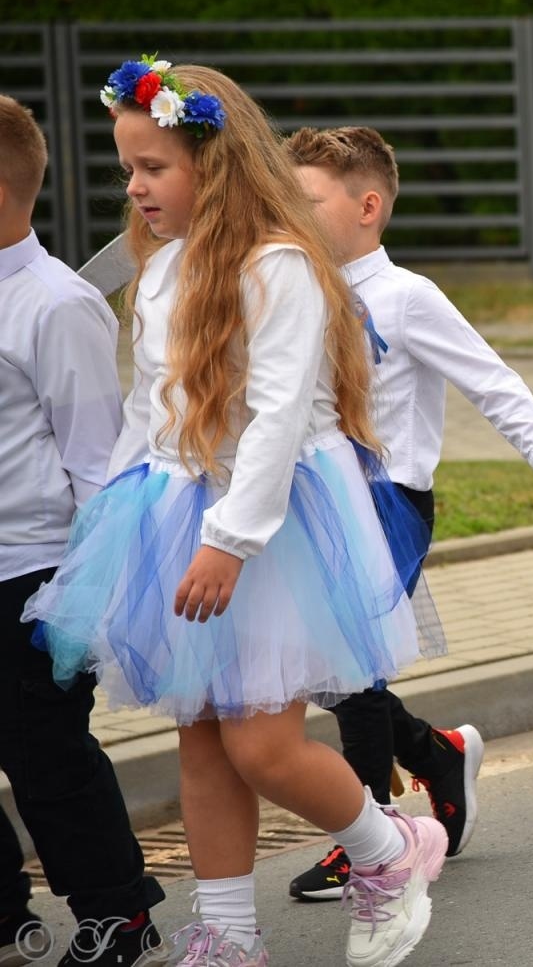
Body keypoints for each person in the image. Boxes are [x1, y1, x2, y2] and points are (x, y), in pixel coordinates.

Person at [22, 57, 446, 966]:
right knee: (204, 739)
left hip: (275, 520)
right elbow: (152, 410)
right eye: (126, 168)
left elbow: (281, 418)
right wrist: (114, 523)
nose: (133, 186)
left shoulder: (279, 266)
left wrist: (230, 542)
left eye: (153, 168)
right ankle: (227, 934)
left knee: (263, 743)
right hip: (178, 509)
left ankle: (388, 849)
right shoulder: (165, 269)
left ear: (213, 167)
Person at [282, 125, 533, 901]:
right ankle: (435, 754)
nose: (289, 208)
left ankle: (372, 837)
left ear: (366, 205)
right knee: (325, 671)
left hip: (389, 500)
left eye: (307, 197)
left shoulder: (408, 297)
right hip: (313, 498)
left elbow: (492, 381)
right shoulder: (290, 289)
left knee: (353, 668)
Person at [0, 94, 165, 965]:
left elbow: (98, 464)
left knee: (45, 756)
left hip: (31, 575)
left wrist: (85, 593)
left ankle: (117, 912)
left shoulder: (54, 304)